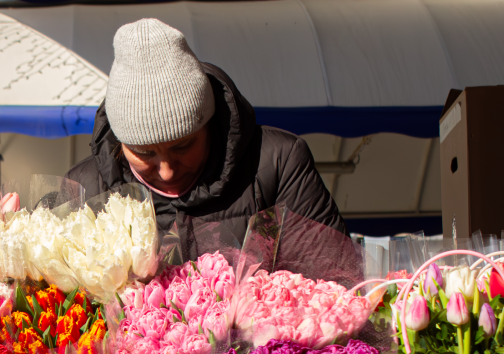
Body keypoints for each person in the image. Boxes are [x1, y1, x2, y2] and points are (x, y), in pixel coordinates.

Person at [66, 18, 345, 240]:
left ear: (209, 123)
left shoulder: (276, 163)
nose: (167, 170)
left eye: (182, 146)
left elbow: (331, 278)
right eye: (143, 152)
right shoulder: (84, 187)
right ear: (120, 143)